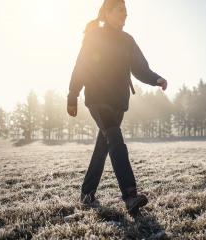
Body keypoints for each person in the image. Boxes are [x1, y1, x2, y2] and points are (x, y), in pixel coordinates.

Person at [66, 0, 167, 217]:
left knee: (104, 146)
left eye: (126, 12)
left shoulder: (128, 40)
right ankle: (130, 195)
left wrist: (156, 78)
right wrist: (72, 96)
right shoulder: (95, 35)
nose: (125, 15)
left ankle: (87, 193)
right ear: (108, 12)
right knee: (116, 140)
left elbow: (141, 68)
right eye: (120, 10)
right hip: (98, 98)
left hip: (119, 102)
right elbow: (81, 66)